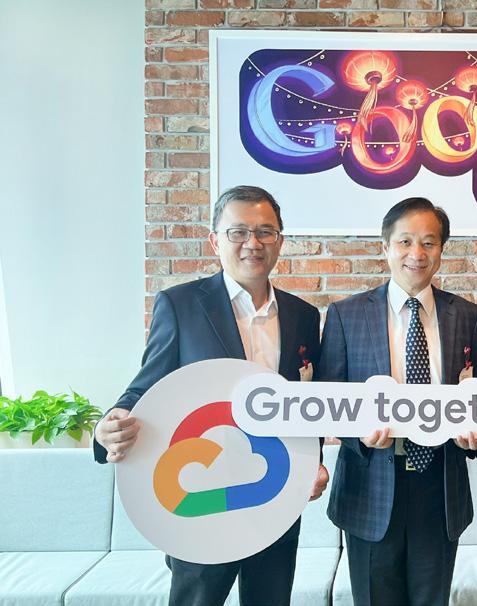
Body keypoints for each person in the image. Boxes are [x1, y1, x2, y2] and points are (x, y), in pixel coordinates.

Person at [93, 185, 328, 606]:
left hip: (275, 494)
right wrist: (107, 426)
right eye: (238, 232)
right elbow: (147, 387)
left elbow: (305, 404)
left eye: (265, 232)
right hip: (202, 496)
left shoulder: (303, 315)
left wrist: (316, 463)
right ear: (215, 241)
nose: (252, 243)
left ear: (280, 241)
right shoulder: (181, 305)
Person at [318, 197, 477, 606]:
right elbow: (327, 399)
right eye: (405, 241)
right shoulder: (346, 315)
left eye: (429, 242)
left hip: (439, 487)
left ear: (441, 250)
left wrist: (472, 432)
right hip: (370, 486)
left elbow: (473, 392)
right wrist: (358, 435)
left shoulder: (467, 315)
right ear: (386, 246)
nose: (417, 253)